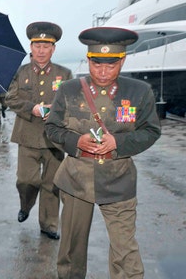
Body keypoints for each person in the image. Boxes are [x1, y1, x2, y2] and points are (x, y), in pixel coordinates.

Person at [45, 27, 161, 279]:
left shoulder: (139, 92)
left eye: (111, 66)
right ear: (88, 60)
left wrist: (117, 142)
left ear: (123, 60)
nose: (103, 72)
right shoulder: (69, 89)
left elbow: (151, 131)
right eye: (97, 65)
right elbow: (51, 128)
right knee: (71, 250)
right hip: (76, 178)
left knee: (125, 251)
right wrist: (77, 141)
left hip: (119, 179)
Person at [4, 21, 72, 240]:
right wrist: (31, 108)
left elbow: (73, 102)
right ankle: (26, 204)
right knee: (26, 180)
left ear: (53, 49)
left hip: (54, 140)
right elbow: (10, 98)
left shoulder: (65, 74)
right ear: (31, 47)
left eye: (46, 46)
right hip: (27, 136)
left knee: (52, 185)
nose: (41, 51)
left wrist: (58, 110)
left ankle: (49, 224)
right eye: (37, 46)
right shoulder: (20, 72)